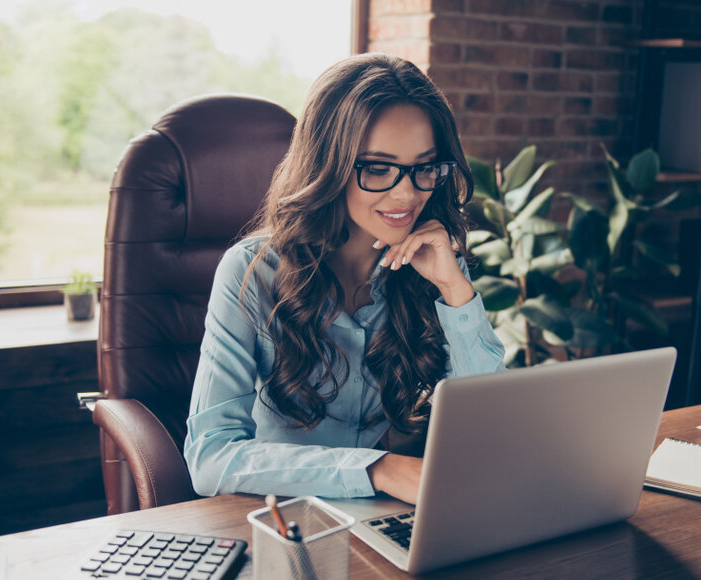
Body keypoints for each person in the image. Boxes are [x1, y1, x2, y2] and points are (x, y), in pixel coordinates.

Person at [183, 53, 505, 506]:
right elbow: (210, 457)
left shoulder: (432, 261)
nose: (407, 193)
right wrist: (378, 470)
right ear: (328, 165)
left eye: (425, 167)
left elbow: (492, 432)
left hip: (384, 521)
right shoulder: (252, 271)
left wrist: (455, 292)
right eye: (377, 167)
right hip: (280, 519)